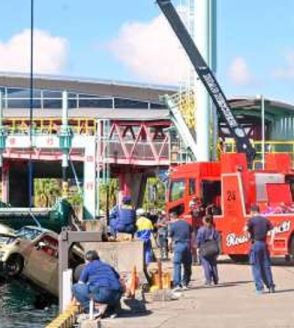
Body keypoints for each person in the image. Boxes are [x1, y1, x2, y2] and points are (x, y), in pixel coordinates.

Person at [72, 250, 123, 317]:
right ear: (98, 258)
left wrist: (74, 298)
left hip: (104, 293)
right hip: (117, 295)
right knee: (111, 288)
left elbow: (80, 284)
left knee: (75, 287)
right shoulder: (107, 266)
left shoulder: (88, 266)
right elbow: (118, 279)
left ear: (87, 260)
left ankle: (91, 310)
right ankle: (111, 310)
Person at [246, 204, 275, 294]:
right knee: (266, 266)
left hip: (256, 244)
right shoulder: (265, 220)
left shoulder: (251, 221)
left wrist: (248, 237)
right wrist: (271, 241)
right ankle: (270, 286)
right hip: (264, 244)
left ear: (253, 211)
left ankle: (260, 288)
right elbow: (273, 230)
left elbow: (245, 229)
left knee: (256, 266)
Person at [168, 212, 192, 291]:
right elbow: (192, 234)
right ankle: (185, 283)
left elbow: (170, 239)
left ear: (172, 218)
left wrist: (170, 249)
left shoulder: (173, 226)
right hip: (188, 245)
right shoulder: (187, 224)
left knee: (177, 264)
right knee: (187, 264)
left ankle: (177, 284)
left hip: (179, 245)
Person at [196, 215, 219, 286]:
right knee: (213, 264)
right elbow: (217, 238)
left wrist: (197, 247)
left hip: (204, 248)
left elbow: (198, 240)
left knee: (206, 264)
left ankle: (208, 280)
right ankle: (216, 279)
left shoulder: (201, 230)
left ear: (204, 221)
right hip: (213, 248)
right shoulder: (213, 229)